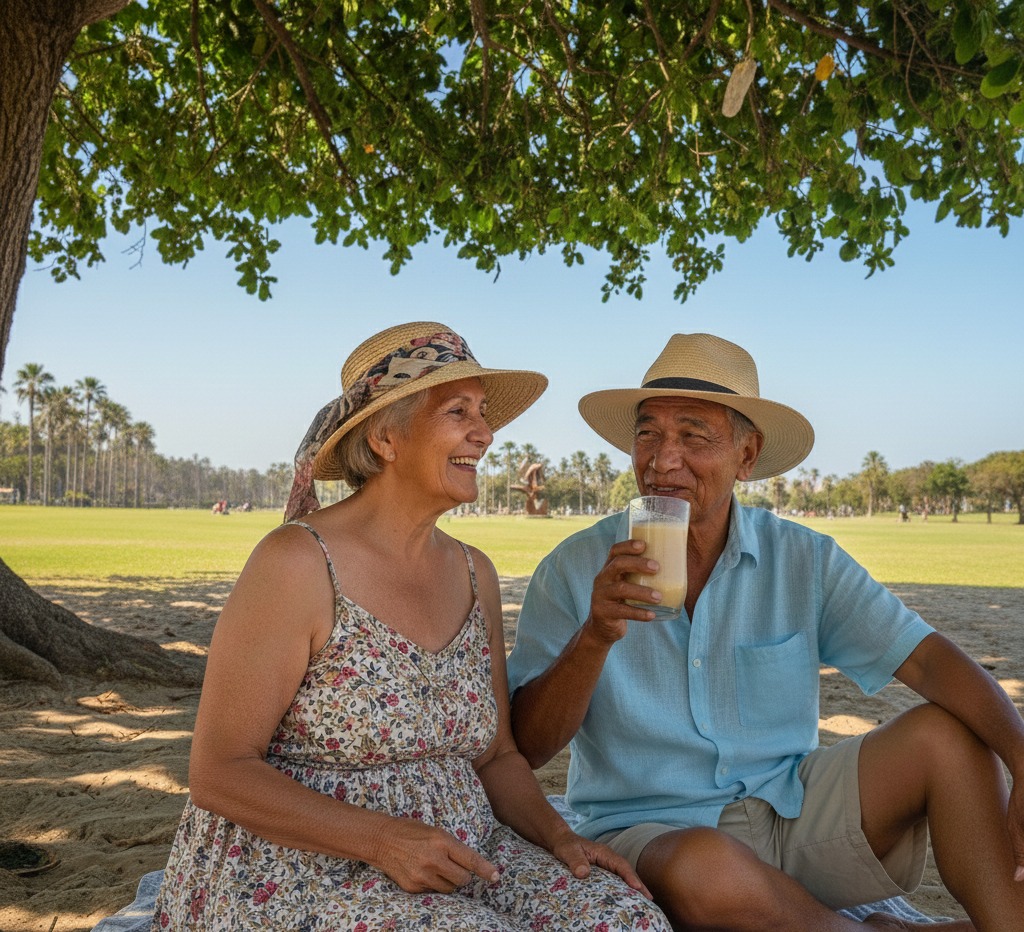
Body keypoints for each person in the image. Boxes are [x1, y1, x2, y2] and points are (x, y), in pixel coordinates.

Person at [151, 322, 668, 931]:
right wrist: (382, 840)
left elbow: (498, 754)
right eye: (458, 411)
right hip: (301, 863)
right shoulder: (297, 562)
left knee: (625, 917)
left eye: (483, 412)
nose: (486, 432)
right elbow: (219, 771)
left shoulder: (475, 571)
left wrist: (560, 839)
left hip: (463, 848)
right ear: (385, 437)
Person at [508, 332, 1024, 932]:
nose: (661, 459)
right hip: (654, 834)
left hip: (793, 809)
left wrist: (1021, 752)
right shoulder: (575, 568)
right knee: (709, 867)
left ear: (746, 457)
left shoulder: (803, 560)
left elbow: (930, 661)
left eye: (693, 435)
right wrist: (594, 636)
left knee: (949, 736)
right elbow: (527, 747)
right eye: (647, 432)